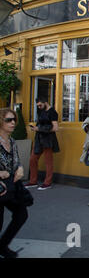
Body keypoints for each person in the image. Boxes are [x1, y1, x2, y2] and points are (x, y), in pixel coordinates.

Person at [0, 109, 28, 258]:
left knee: (21, 213)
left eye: (14, 120)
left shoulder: (11, 141)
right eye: (8, 120)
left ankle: (2, 245)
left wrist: (20, 168)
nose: (13, 123)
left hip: (11, 186)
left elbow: (15, 162)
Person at [25, 97, 59, 190]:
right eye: (38, 105)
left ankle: (47, 182)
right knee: (32, 159)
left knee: (48, 161)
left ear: (45, 102)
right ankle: (33, 181)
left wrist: (38, 129)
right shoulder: (41, 111)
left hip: (48, 139)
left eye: (40, 105)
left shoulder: (53, 112)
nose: (39, 107)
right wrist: (36, 128)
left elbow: (56, 128)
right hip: (39, 138)